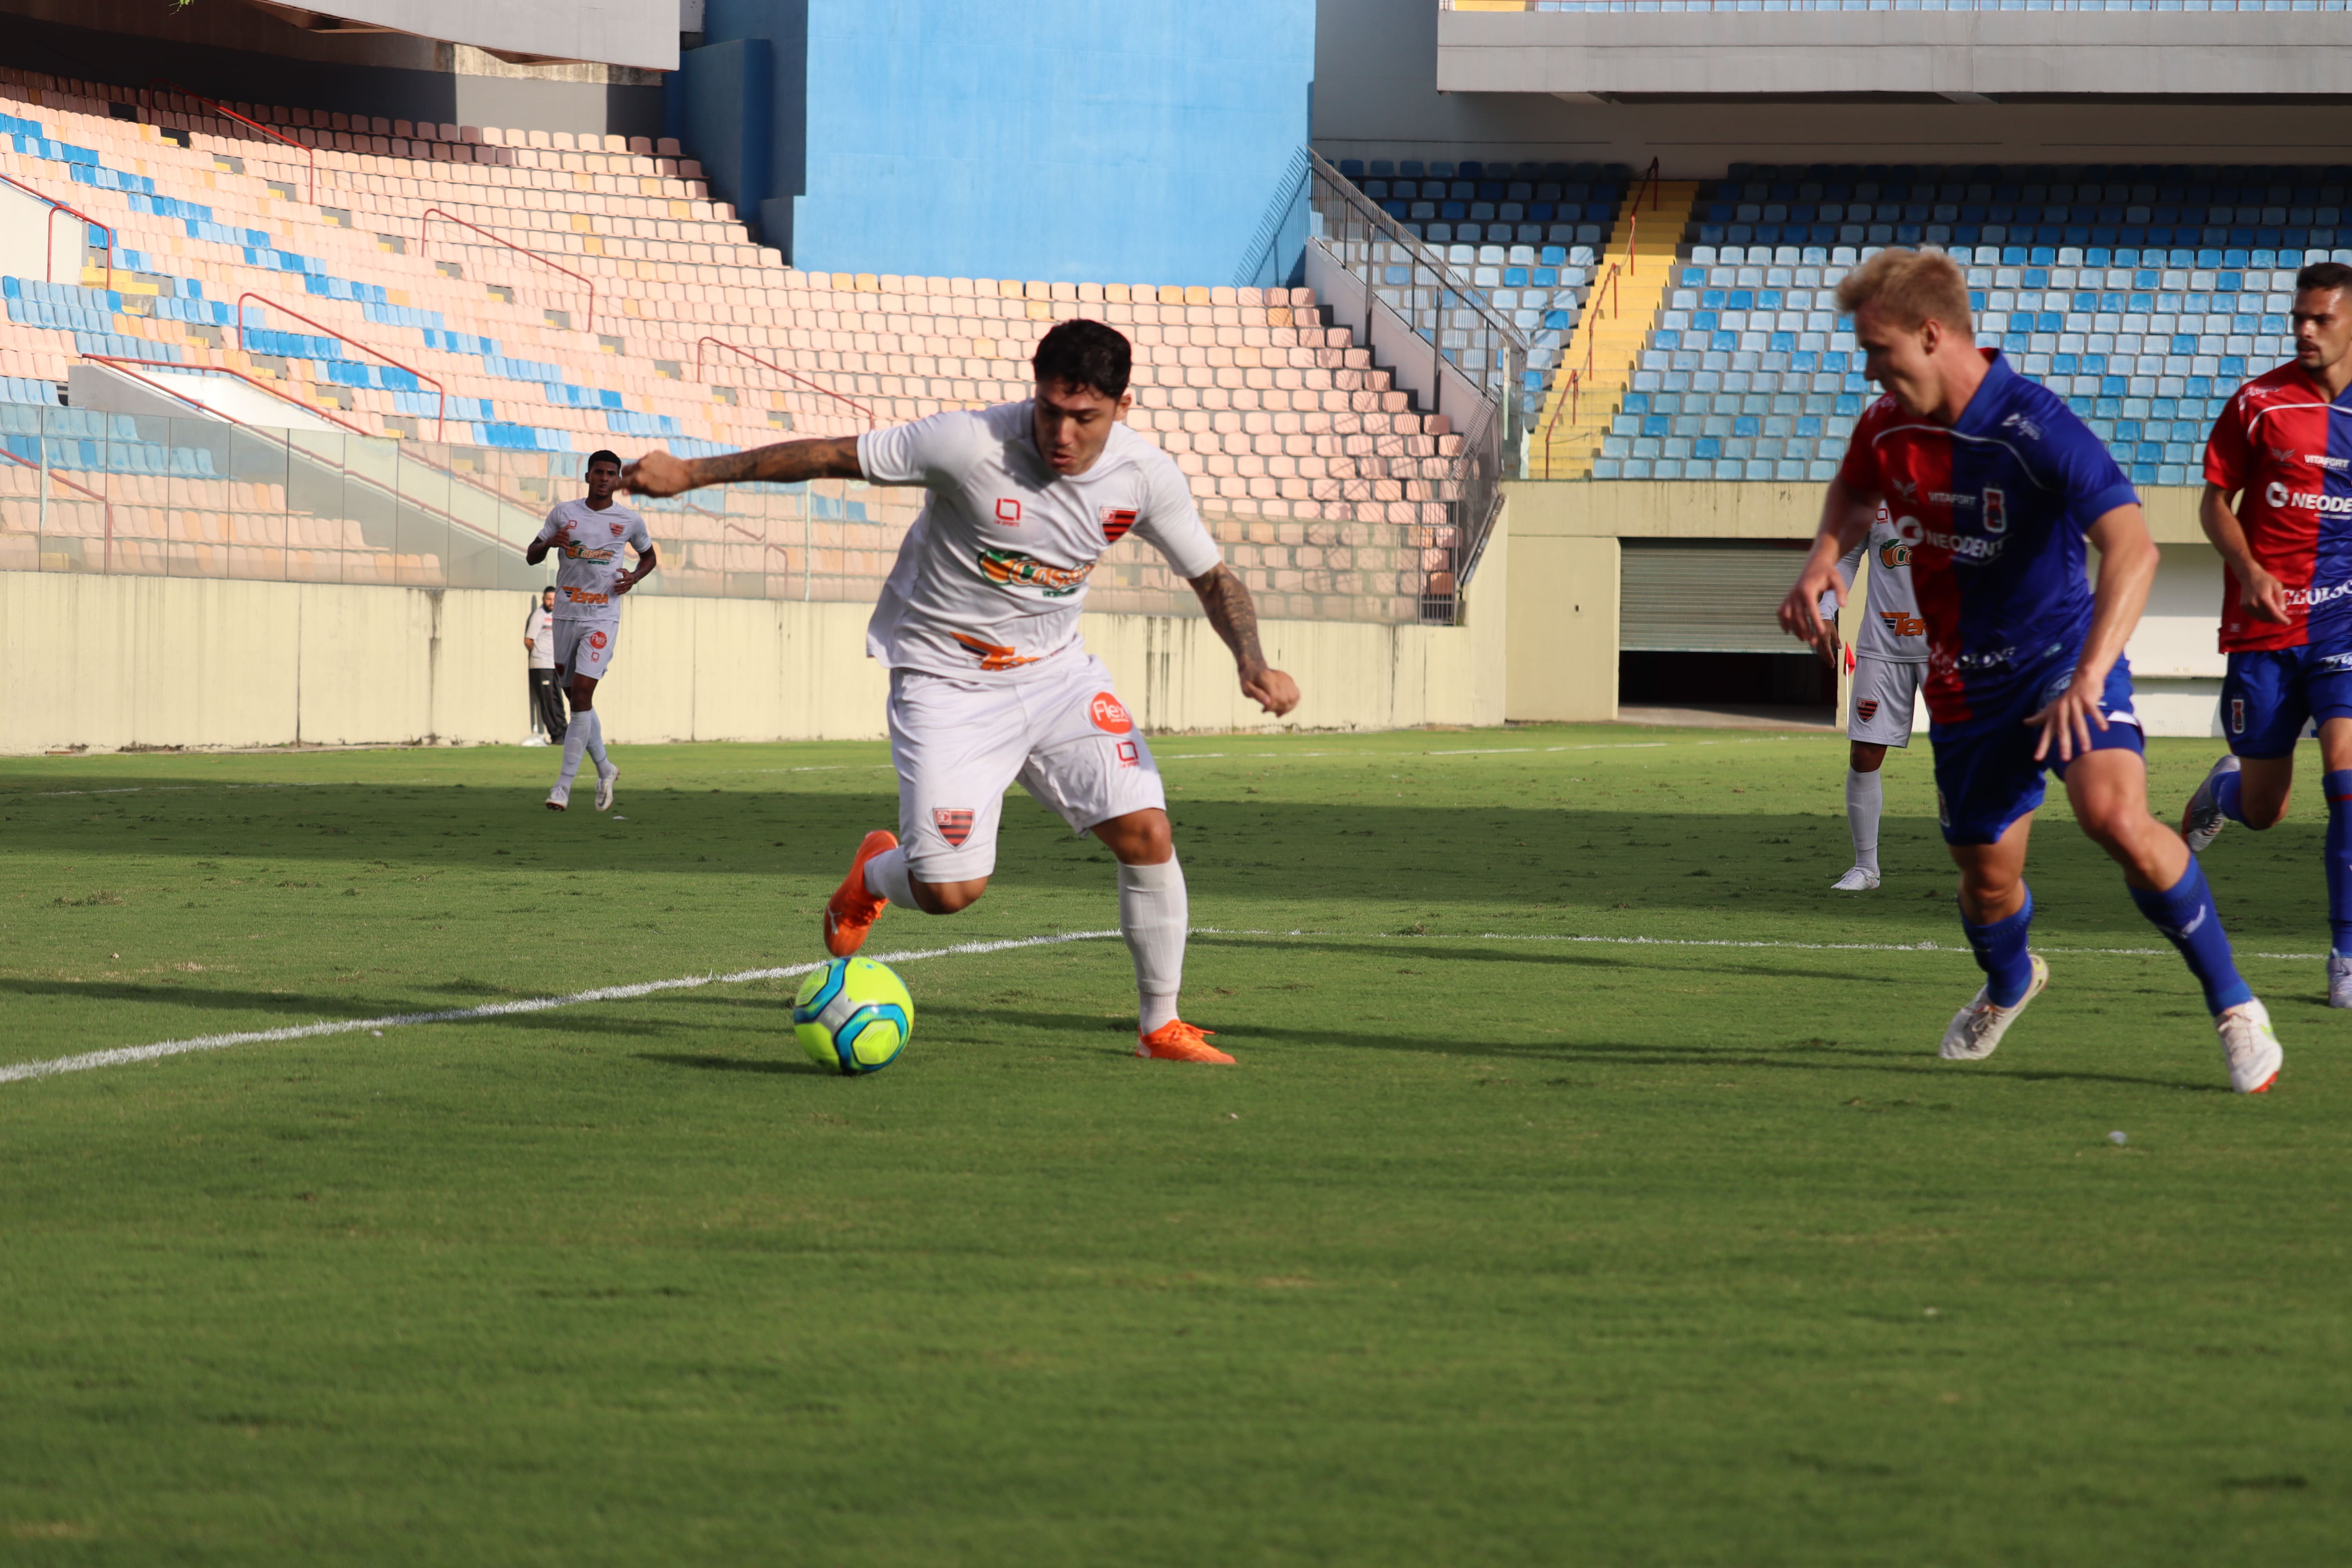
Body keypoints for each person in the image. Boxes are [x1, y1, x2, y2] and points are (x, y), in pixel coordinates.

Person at [623, 319, 1300, 1064]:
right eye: (1050, 410)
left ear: (1122, 408)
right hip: (947, 683)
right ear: (1032, 394)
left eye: (1086, 418)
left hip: (1057, 678)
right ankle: (876, 875)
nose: (1063, 434)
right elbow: (827, 456)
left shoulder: (1145, 478)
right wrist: (692, 474)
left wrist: (1251, 660)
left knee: (1147, 832)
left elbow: (1212, 577)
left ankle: (1159, 1025)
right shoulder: (969, 445)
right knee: (951, 893)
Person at [1778, 247, 2281, 1093]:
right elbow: (1857, 491)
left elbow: (2134, 546)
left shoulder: (2036, 426)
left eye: (1878, 349)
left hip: (2060, 661)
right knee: (1985, 876)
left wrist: (2090, 675)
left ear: (1933, 333)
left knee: (2115, 817)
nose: (1868, 367)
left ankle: (2235, 1006)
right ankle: (2012, 981)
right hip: (1964, 686)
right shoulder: (1885, 424)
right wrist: (1824, 557)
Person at [2175, 261, 2352, 1005]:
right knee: (2266, 808)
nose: (2306, 331)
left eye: (2322, 319)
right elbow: (2216, 501)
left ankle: (2346, 957)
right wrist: (2247, 569)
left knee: (2347, 779)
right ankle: (2224, 790)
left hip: (2344, 618)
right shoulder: (2259, 403)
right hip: (2264, 626)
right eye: (2298, 319)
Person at [525, 450, 656, 813]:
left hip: (602, 617)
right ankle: (606, 769)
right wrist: (549, 544)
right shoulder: (564, 514)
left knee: (582, 692)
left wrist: (634, 577)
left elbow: (649, 557)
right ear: (588, 476)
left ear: (617, 480)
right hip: (566, 615)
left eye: (611, 474)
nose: (604, 478)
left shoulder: (629, 520)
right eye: (598, 472)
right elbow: (532, 554)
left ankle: (563, 787)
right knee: (577, 700)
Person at [1815, 503, 1926, 891]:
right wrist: (1827, 612)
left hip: (1948, 646)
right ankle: (1866, 867)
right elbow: (1845, 557)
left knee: (1963, 755)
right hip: (1883, 644)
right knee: (1864, 752)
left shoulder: (1963, 483)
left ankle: (1982, 865)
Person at [524, 586, 566, 745]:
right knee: (548, 702)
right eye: (549, 599)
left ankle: (565, 732)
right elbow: (529, 641)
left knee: (558, 700)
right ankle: (556, 735)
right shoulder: (538, 616)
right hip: (542, 666)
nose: (551, 603)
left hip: (556, 664)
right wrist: (539, 655)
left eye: (554, 600)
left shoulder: (558, 615)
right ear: (543, 600)